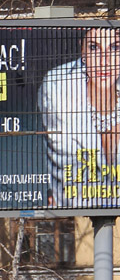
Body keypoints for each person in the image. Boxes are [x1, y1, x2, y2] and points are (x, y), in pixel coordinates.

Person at [39, 26, 120, 205]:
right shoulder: (58, 86)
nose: (104, 61)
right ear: (82, 52)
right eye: (94, 47)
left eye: (114, 48)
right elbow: (64, 163)